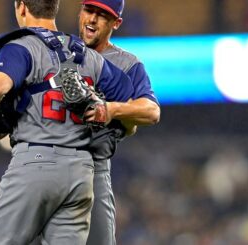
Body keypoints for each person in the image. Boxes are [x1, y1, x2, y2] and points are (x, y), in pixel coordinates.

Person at [0, 0, 138, 244]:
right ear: (54, 8)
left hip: (35, 164)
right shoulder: (87, 55)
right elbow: (130, 114)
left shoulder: (22, 46)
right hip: (80, 174)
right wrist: (106, 113)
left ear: (21, 7)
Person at [78, 1, 160, 245]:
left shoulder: (127, 63)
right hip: (49, 161)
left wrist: (114, 109)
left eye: (102, 15)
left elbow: (152, 111)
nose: (92, 19)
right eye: (89, 11)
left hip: (94, 165)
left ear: (116, 23)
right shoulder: (60, 52)